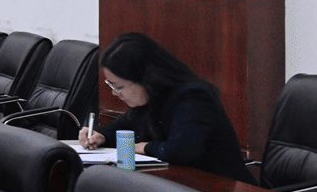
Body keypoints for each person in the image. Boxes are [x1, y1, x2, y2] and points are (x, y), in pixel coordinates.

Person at [79, 32, 251, 182]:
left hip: (222, 189)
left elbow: (180, 151)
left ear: (145, 78)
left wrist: (144, 147)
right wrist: (101, 135)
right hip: (182, 186)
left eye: (119, 87)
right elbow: (125, 125)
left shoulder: (193, 97)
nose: (114, 93)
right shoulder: (149, 99)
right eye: (111, 85)